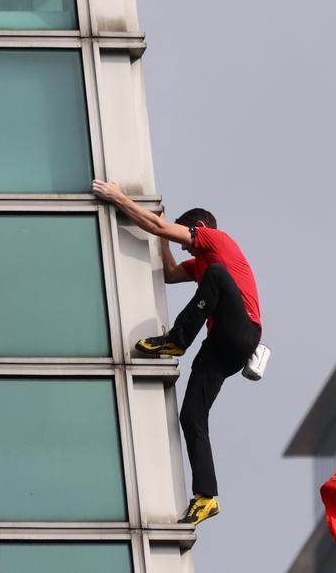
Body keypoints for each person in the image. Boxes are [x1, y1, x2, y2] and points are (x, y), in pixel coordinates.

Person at [92, 180, 262, 527]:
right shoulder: (200, 264)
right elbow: (169, 273)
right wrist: (160, 234)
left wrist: (118, 198)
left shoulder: (216, 240)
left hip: (243, 331)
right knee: (191, 416)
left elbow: (159, 227)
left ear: (197, 229)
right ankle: (206, 498)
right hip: (222, 348)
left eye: (186, 241)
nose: (186, 250)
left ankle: (177, 340)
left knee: (214, 274)